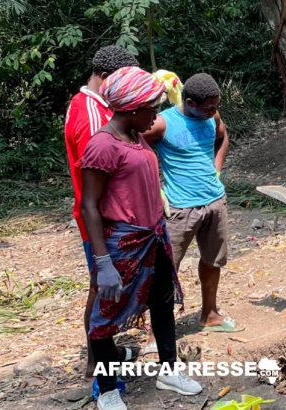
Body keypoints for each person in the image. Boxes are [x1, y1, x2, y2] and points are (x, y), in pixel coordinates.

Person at [81, 66, 203, 410]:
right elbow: (90, 206)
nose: (156, 113)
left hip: (154, 236)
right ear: (131, 109)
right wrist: (103, 262)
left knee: (162, 304)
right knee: (105, 319)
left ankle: (168, 369)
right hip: (123, 243)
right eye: (151, 107)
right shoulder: (103, 146)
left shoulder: (137, 137)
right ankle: (107, 390)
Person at [64, 45, 140, 375]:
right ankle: (98, 362)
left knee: (104, 289)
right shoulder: (93, 117)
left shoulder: (89, 105)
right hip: (105, 222)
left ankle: (104, 353)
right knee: (102, 289)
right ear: (106, 78)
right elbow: (101, 180)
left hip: (108, 218)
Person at [142, 73, 235, 332]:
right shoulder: (162, 124)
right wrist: (156, 189)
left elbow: (223, 137)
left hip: (215, 202)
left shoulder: (212, 117)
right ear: (191, 102)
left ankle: (210, 313)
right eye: (209, 107)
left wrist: (216, 169)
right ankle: (157, 332)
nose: (214, 112)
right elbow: (136, 149)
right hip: (179, 209)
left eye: (216, 106)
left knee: (213, 261)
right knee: (166, 272)